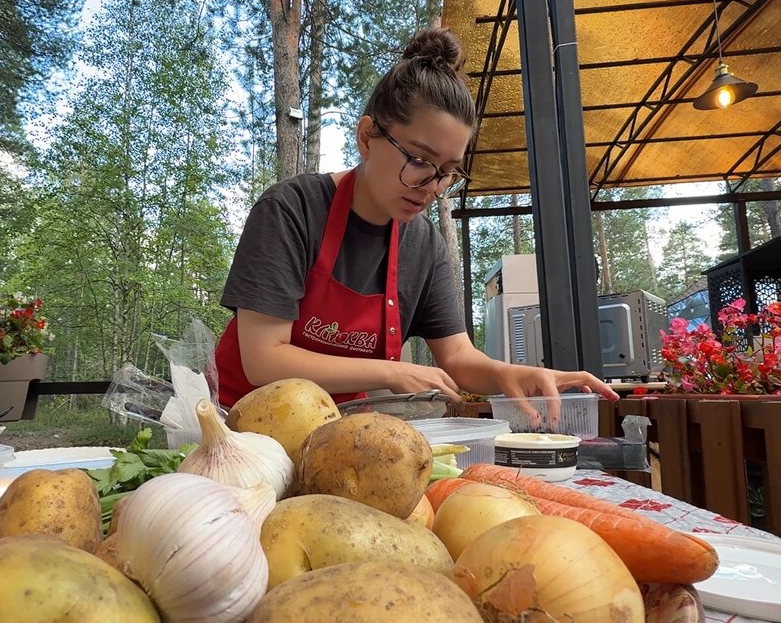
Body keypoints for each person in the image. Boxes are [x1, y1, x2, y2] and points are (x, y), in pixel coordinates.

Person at [214, 27, 617, 412]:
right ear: (367, 135)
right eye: (419, 159)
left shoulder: (423, 245)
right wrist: (392, 371)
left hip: (335, 431)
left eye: (447, 171)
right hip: (243, 430)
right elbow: (264, 359)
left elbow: (457, 355)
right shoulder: (293, 210)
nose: (431, 185)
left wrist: (514, 373)